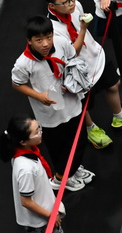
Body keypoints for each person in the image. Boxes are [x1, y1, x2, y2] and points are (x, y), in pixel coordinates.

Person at [42, 0, 122, 148]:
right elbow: (72, 52)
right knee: (83, 104)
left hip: (95, 55)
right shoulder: (53, 31)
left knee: (113, 84)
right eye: (65, 2)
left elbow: (79, 18)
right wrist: (84, 28)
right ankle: (91, 129)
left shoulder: (75, 5)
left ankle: (119, 116)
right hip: (78, 70)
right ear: (52, 5)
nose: (72, 3)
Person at [3, 115, 82, 233]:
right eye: (37, 131)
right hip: (39, 220)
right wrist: (50, 215)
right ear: (23, 141)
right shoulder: (24, 168)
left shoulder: (30, 153)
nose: (41, 132)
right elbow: (26, 201)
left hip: (47, 213)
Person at [10, 17, 93, 191]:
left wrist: (72, 82)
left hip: (71, 103)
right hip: (49, 113)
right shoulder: (23, 63)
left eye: (48, 37)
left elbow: (72, 60)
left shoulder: (62, 43)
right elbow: (17, 84)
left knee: (78, 140)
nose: (46, 44)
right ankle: (61, 178)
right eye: (39, 40)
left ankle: (72, 170)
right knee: (59, 147)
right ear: (29, 41)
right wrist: (38, 96)